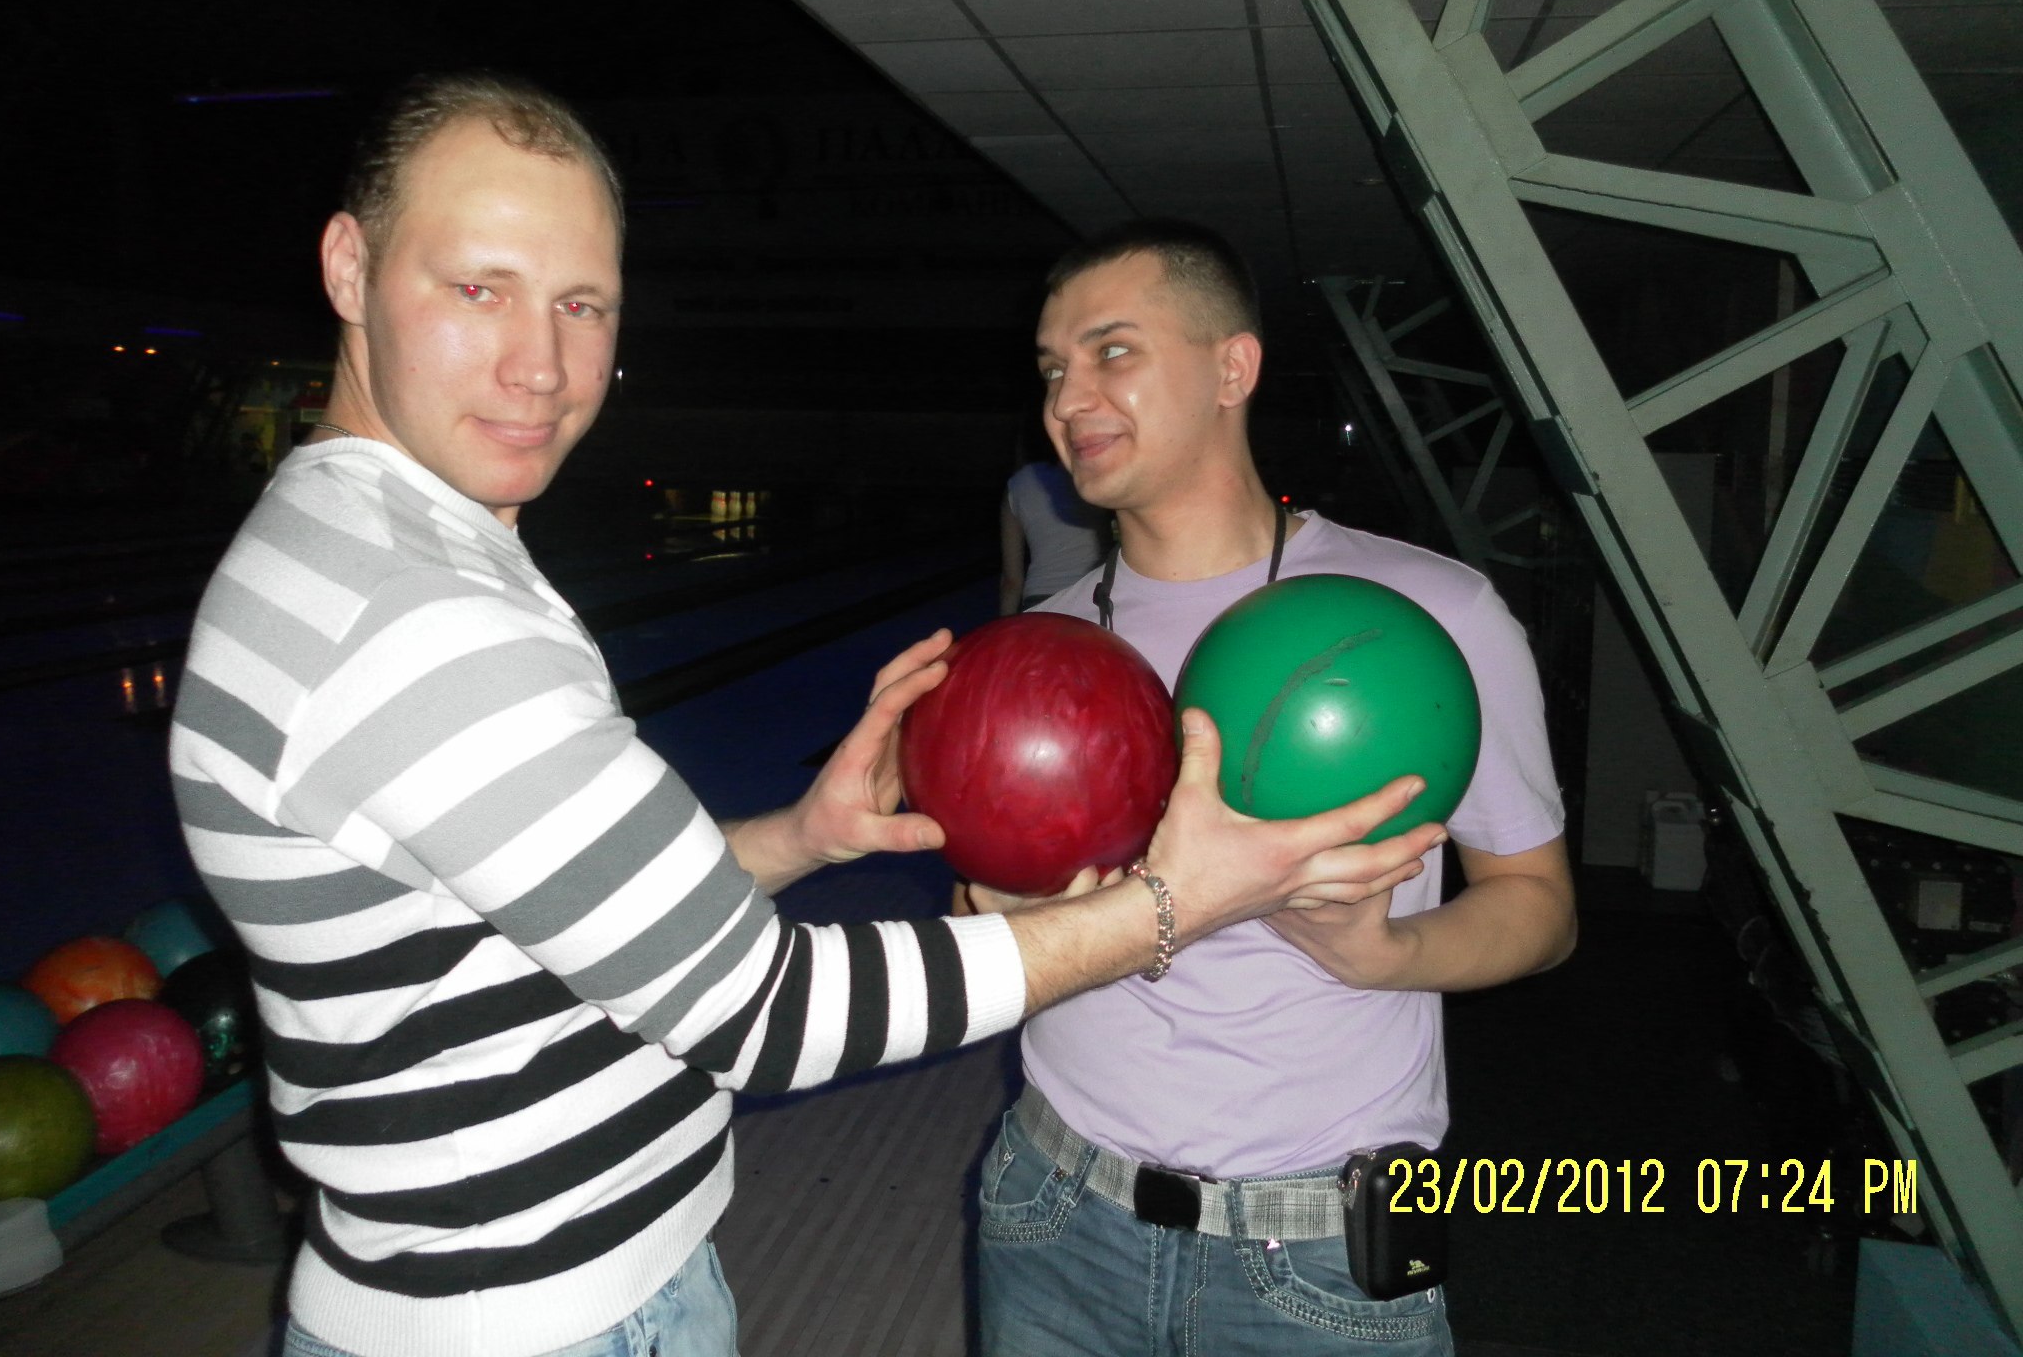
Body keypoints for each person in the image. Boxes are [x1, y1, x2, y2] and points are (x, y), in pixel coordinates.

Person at [168, 78, 1453, 1357]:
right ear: (350, 268)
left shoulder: (375, 552)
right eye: (476, 287)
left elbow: (565, 916)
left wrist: (802, 838)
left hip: (528, 1295)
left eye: (581, 304)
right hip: (524, 1324)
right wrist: (1174, 904)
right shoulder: (411, 612)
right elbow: (763, 1014)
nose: (540, 366)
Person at [971, 220, 1577, 1356]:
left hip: (1319, 1251)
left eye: (1111, 352)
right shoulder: (1040, 653)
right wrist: (993, 913)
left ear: (1231, 369)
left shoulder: (1429, 618)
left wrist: (1381, 953)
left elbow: (1538, 907)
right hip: (1054, 1210)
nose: (1067, 399)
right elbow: (990, 920)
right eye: (1051, 369)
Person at [998, 408, 1108, 614]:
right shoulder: (1093, 475)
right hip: (1091, 598)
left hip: (1040, 604)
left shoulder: (1017, 485)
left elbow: (1012, 582)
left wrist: (1005, 628)